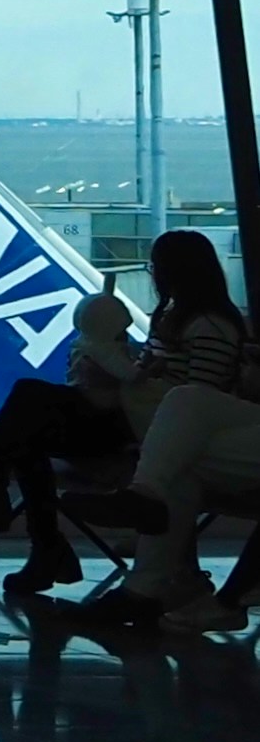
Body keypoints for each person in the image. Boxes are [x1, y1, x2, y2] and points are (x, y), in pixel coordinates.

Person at [94, 231, 260, 628]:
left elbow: (206, 385)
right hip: (210, 429)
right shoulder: (176, 319)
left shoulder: (206, 324)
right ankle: (147, 583)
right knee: (182, 453)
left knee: (188, 401)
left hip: (197, 424)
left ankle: (143, 507)